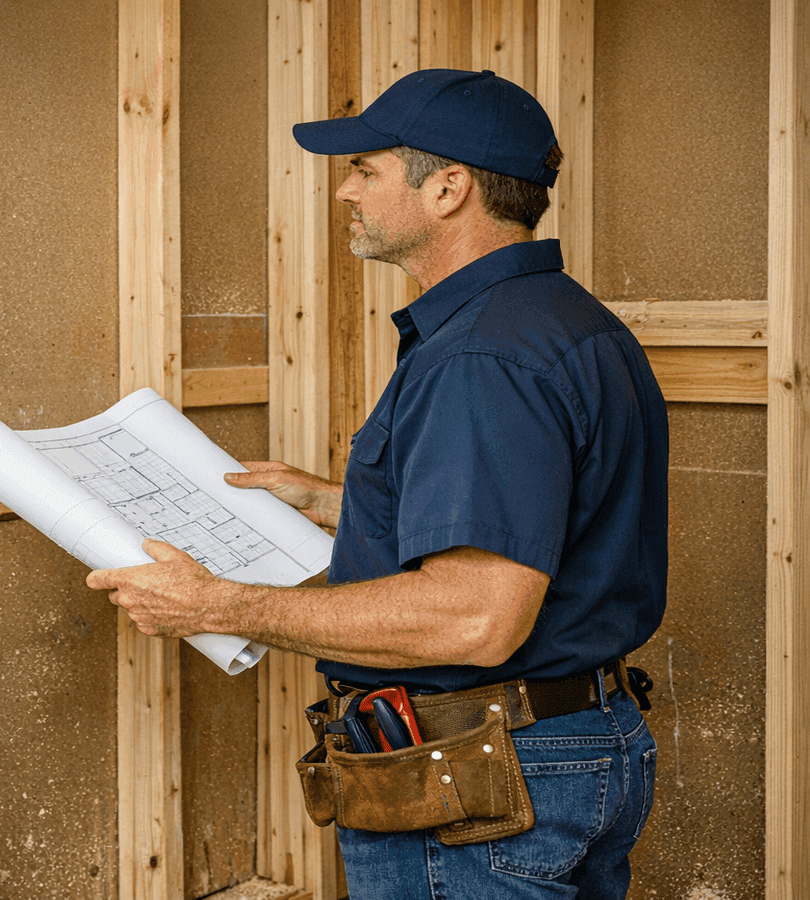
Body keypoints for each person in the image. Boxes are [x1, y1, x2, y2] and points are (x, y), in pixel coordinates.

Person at [87, 68, 667, 899]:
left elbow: (475, 618)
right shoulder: (561, 319)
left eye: (366, 169)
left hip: (484, 786)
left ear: (448, 189)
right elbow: (555, 511)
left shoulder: (481, 357)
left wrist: (218, 604)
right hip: (572, 744)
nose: (342, 191)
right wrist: (339, 501)